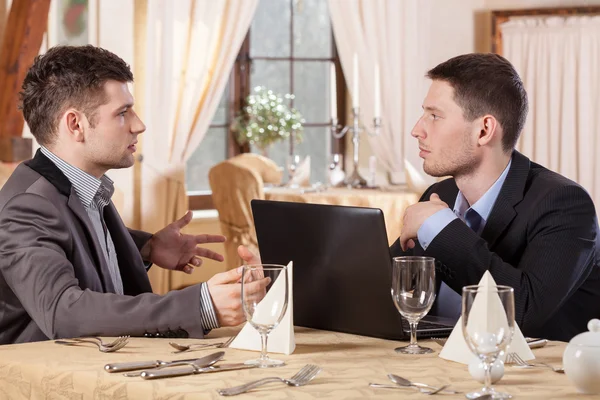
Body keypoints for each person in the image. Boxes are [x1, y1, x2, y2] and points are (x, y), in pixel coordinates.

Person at [240, 53, 600, 342]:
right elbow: (382, 292)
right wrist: (287, 274)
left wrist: (440, 228)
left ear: (484, 129)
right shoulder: (438, 194)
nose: (417, 129)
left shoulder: (564, 205)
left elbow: (522, 311)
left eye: (434, 115)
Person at [0, 45, 270, 345]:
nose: (138, 125)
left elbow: (69, 236)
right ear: (75, 124)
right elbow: (64, 312)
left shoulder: (78, 188)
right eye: (122, 113)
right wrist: (202, 305)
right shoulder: (27, 207)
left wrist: (145, 248)